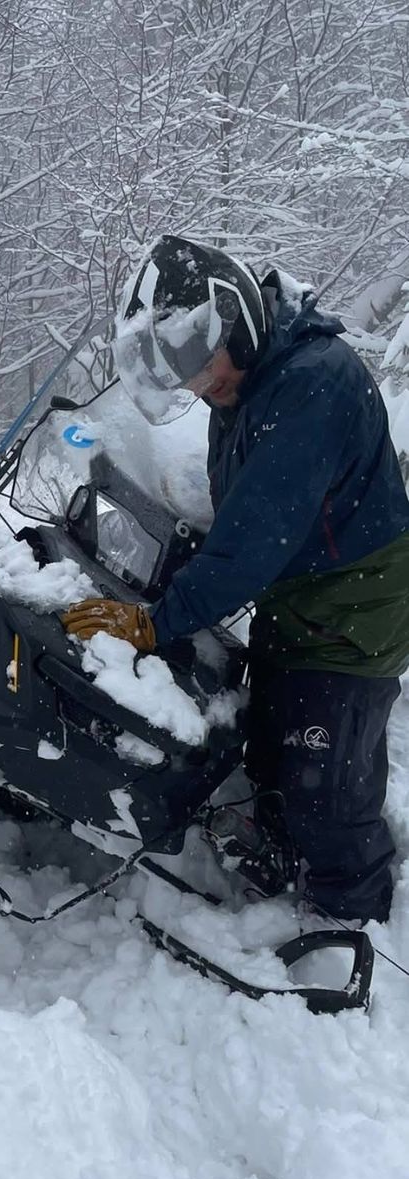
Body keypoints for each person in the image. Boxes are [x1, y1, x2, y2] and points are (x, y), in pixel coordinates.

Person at [62, 234, 409, 925]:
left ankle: (351, 915)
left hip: (356, 612)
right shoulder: (250, 378)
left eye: (202, 363)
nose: (201, 385)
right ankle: (288, 856)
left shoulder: (312, 381)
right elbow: (239, 509)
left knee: (325, 787)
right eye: (185, 374)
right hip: (303, 592)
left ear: (239, 318)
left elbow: (253, 542)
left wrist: (156, 620)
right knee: (275, 746)